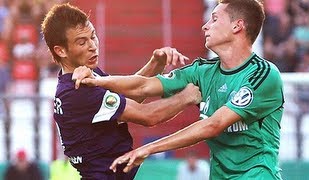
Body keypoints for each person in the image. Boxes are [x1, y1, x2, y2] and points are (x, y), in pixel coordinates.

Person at [73, 0, 284, 179]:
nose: (205, 25)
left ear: (237, 26)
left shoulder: (263, 75)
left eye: (214, 19)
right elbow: (143, 85)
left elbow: (214, 124)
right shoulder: (202, 71)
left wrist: (149, 148)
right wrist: (98, 80)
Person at [41, 3, 201, 179]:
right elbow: (148, 116)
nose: (92, 46)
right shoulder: (78, 91)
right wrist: (186, 97)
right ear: (60, 50)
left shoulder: (85, 77)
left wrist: (155, 65)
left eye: (93, 36)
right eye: (82, 42)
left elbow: (125, 98)